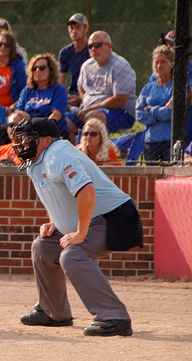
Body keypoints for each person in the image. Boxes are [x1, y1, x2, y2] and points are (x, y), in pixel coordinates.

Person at [12, 117, 141, 337]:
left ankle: (114, 316)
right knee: (43, 247)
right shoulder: (35, 162)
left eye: (29, 138)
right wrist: (55, 222)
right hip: (94, 218)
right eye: (22, 139)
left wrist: (81, 233)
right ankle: (54, 312)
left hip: (116, 217)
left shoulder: (58, 154)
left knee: (72, 255)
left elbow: (87, 191)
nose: (23, 144)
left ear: (47, 140)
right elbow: (56, 195)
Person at [67, 31, 136, 135]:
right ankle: (79, 143)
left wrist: (91, 108)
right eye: (90, 46)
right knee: (64, 120)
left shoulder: (120, 65)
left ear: (109, 46)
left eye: (98, 45)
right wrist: (85, 102)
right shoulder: (87, 66)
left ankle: (89, 142)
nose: (93, 49)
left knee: (93, 116)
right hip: (89, 111)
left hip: (121, 113)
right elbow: (80, 87)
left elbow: (120, 99)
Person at [16, 53, 69, 138]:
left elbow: (56, 114)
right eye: (34, 68)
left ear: (51, 70)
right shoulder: (27, 90)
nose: (37, 71)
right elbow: (19, 113)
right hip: (28, 130)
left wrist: (41, 127)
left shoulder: (58, 89)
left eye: (42, 68)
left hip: (51, 131)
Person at [136, 45, 174, 163]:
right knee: (151, 173)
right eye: (156, 62)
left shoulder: (176, 87)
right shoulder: (148, 88)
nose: (159, 65)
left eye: (163, 62)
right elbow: (138, 114)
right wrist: (160, 112)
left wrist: (150, 110)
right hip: (150, 141)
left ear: (171, 64)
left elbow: (172, 112)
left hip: (170, 140)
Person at [58, 13, 90, 107]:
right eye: (71, 28)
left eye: (78, 27)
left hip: (90, 93)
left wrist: (81, 98)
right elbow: (60, 79)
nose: (74, 31)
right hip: (71, 93)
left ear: (86, 28)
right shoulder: (65, 52)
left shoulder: (93, 50)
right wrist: (64, 96)